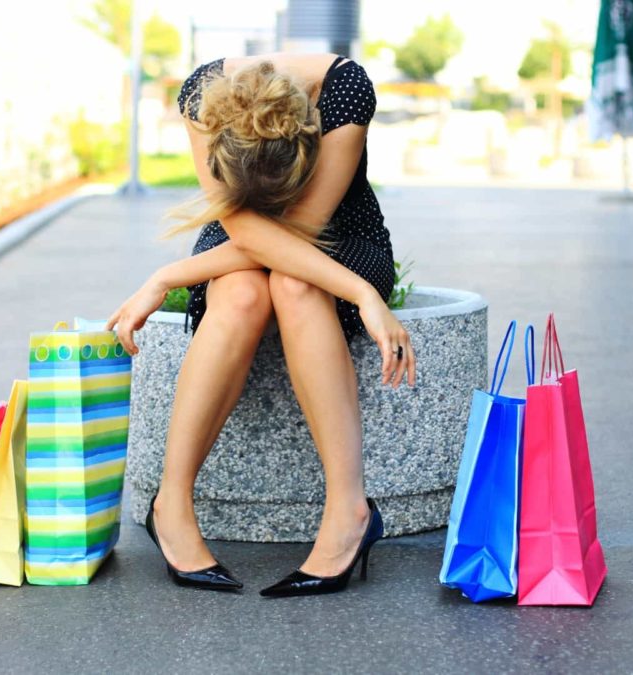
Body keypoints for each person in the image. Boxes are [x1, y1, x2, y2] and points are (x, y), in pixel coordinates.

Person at [107, 53, 416, 598]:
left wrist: (364, 289)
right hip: (235, 239)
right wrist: (166, 276)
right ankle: (170, 503)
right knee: (244, 290)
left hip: (335, 236)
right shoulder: (204, 94)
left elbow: (293, 235)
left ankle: (350, 512)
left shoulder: (344, 90)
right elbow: (246, 232)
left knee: (293, 283)